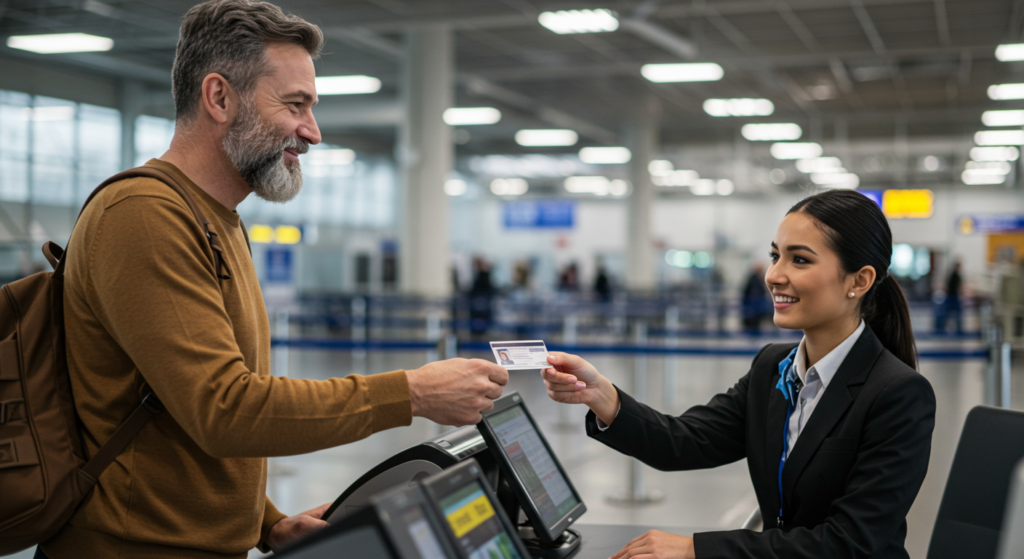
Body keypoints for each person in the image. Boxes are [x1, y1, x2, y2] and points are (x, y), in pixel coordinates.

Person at [40, 2, 509, 558]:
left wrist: (265, 522)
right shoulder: (143, 214)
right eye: (295, 105)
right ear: (219, 97)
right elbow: (224, 409)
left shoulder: (215, 217)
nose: (311, 131)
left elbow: (176, 411)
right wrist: (410, 392)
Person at [542, 189, 935, 558]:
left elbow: (850, 542)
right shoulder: (772, 369)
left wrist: (697, 549)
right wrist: (600, 394)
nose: (774, 275)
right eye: (775, 255)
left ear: (860, 281)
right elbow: (686, 442)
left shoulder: (897, 394)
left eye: (799, 259)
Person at [741, 263, 771, 334]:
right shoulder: (754, 279)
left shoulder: (758, 278)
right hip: (753, 306)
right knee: (752, 324)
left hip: (757, 306)